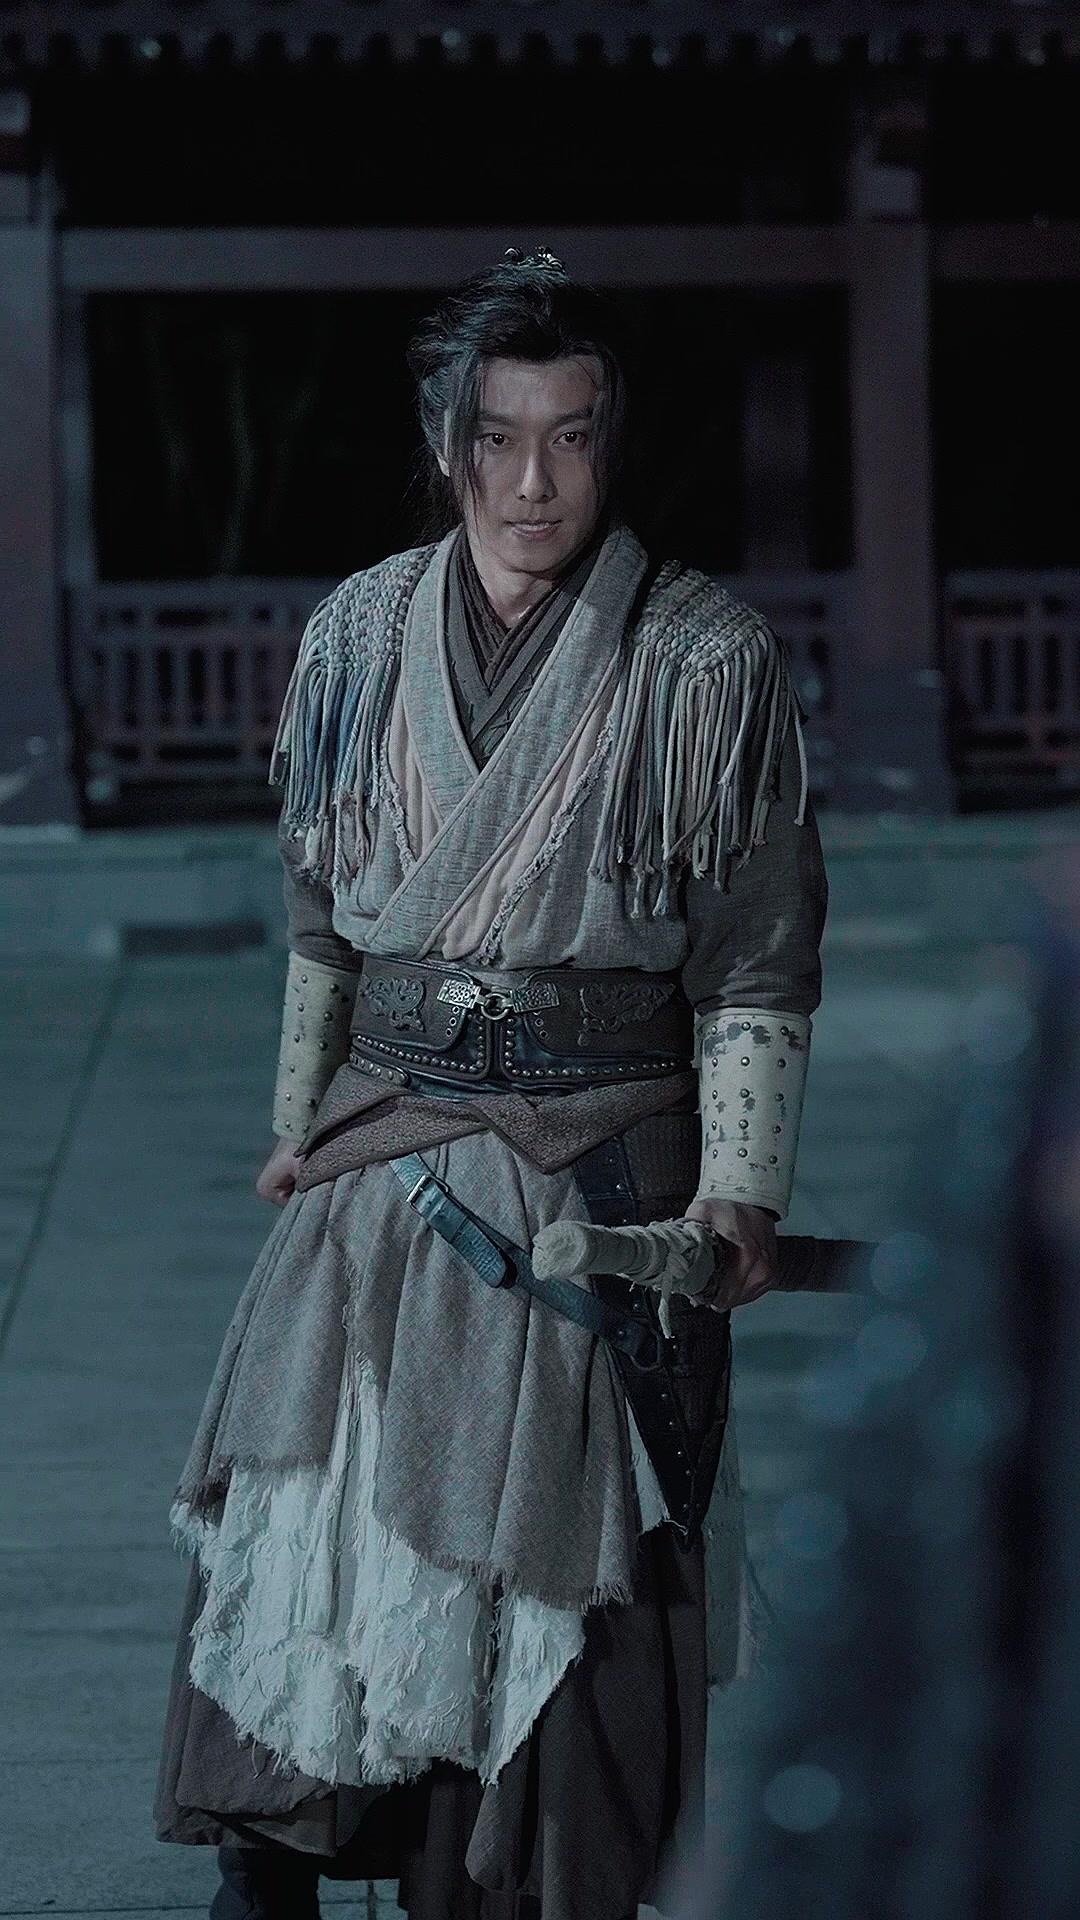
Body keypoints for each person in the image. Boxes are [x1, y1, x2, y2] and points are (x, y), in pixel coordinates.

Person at [153, 248, 829, 1920]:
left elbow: (756, 961)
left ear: (612, 445)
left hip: (595, 1173)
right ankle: (278, 1859)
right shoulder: (358, 633)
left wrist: (741, 1193)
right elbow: (321, 918)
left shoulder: (701, 658)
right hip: (379, 1163)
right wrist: (297, 1127)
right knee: (309, 1527)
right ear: (446, 443)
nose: (535, 483)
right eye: (499, 440)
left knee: (555, 1583)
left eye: (572, 439)